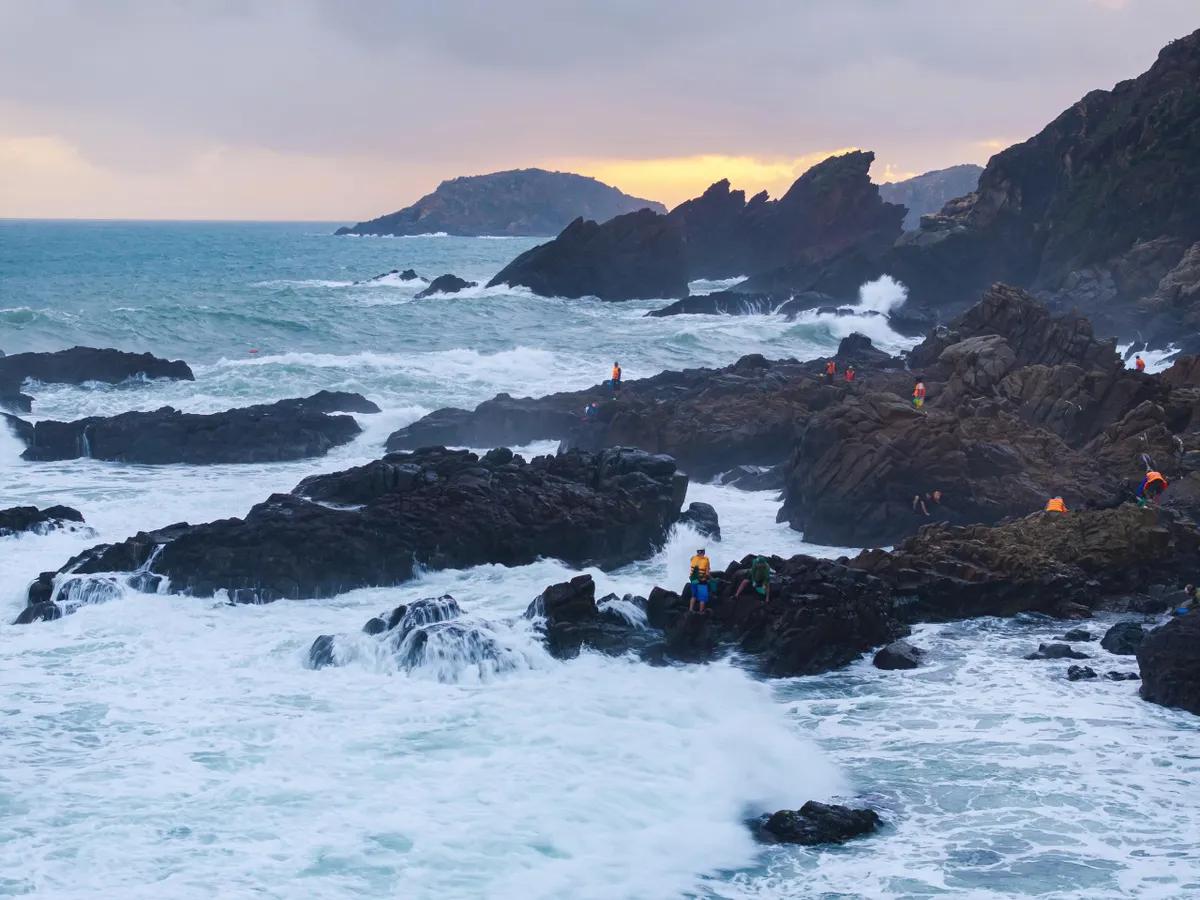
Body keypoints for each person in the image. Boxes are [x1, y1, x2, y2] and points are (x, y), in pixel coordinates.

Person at [688, 547, 711, 614]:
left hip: (694, 580)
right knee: (702, 597)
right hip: (701, 581)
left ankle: (690, 609)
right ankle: (701, 612)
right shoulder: (706, 560)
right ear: (704, 552)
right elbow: (707, 574)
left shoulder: (693, 558)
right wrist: (711, 578)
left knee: (693, 595)